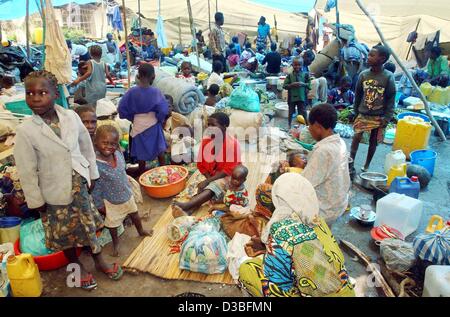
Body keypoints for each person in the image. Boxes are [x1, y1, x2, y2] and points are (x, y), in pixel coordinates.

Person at [14, 70, 122, 290]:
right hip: (52, 193)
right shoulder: (26, 131)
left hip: (78, 185)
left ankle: (99, 259)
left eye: (42, 92)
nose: (35, 98)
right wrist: (36, 201)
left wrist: (92, 173)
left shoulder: (70, 116)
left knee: (88, 226)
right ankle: (75, 265)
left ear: (55, 93)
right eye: (30, 93)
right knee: (65, 233)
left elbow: (85, 145)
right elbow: (26, 170)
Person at [238, 173, 355, 297]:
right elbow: (310, 254)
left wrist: (271, 250)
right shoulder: (318, 220)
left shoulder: (281, 230)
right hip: (345, 290)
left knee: (246, 267)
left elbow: (278, 283)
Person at [92, 125, 151, 257]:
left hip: (127, 194)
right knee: (113, 225)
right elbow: (96, 187)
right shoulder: (95, 164)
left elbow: (123, 170)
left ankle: (140, 231)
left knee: (135, 214)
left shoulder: (118, 154)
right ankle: (116, 243)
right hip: (111, 201)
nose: (109, 146)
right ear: (96, 143)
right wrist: (99, 205)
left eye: (113, 143)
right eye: (105, 143)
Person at [171, 112, 241, 217]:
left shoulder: (233, 144)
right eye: (209, 125)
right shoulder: (206, 142)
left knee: (213, 186)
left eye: (214, 125)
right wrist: (208, 179)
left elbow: (228, 171)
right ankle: (190, 209)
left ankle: (187, 206)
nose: (210, 128)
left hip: (227, 176)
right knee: (202, 187)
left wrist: (208, 181)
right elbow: (201, 164)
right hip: (211, 175)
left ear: (224, 126)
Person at [301, 104, 351, 225]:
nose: (309, 130)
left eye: (310, 126)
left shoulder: (323, 151)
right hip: (339, 203)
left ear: (318, 126)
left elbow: (304, 183)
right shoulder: (340, 142)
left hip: (325, 210)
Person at [350, 45, 396, 172]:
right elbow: (358, 95)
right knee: (356, 138)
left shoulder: (388, 77)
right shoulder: (363, 75)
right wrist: (355, 111)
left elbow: (391, 99)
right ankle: (351, 162)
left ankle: (366, 165)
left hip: (378, 116)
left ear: (382, 59)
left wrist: (386, 118)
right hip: (362, 113)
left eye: (371, 55)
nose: (368, 57)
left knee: (373, 142)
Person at [118, 64, 169, 176]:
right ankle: (165, 172)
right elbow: (163, 110)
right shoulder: (156, 92)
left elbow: (121, 109)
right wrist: (159, 120)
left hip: (138, 124)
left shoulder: (131, 92)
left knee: (141, 153)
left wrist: (132, 118)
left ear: (138, 76)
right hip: (154, 123)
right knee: (160, 150)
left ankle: (142, 176)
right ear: (153, 77)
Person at [283, 58, 311, 128]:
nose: (297, 67)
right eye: (295, 65)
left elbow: (309, 85)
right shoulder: (290, 75)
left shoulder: (305, 75)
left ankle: (307, 125)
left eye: (299, 65)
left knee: (303, 111)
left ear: (302, 65)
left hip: (302, 97)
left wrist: (303, 84)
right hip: (292, 97)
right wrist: (291, 85)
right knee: (290, 111)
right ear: (292, 65)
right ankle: (289, 125)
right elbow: (284, 86)